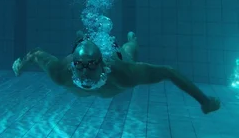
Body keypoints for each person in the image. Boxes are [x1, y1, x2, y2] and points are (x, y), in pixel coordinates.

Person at [12, 31, 220, 115]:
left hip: (118, 57)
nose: (85, 73)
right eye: (80, 66)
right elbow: (36, 54)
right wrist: (21, 63)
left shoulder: (124, 74)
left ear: (101, 64)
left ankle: (132, 37)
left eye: (91, 65)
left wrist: (204, 101)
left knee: (129, 50)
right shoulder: (61, 72)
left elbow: (169, 72)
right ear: (73, 64)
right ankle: (83, 35)